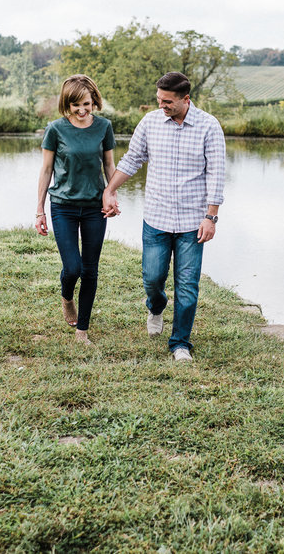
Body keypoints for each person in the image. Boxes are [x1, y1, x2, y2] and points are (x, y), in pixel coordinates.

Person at [102, 71, 226, 362]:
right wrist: (110, 189)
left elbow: (217, 175)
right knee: (153, 278)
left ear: (186, 99)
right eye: (159, 99)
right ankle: (156, 307)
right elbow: (132, 159)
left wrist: (212, 217)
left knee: (187, 284)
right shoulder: (150, 122)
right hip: (156, 218)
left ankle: (180, 343)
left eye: (167, 101)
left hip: (192, 222)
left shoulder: (209, 126)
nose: (162, 106)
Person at [36, 74, 116, 344]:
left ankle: (83, 329)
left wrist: (111, 194)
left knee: (90, 270)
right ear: (66, 105)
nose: (82, 111)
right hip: (63, 207)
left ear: (94, 100)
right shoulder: (55, 129)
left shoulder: (104, 127)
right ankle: (67, 296)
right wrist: (39, 210)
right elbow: (46, 170)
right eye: (75, 106)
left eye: (86, 104)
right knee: (73, 268)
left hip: (95, 207)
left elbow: (109, 166)